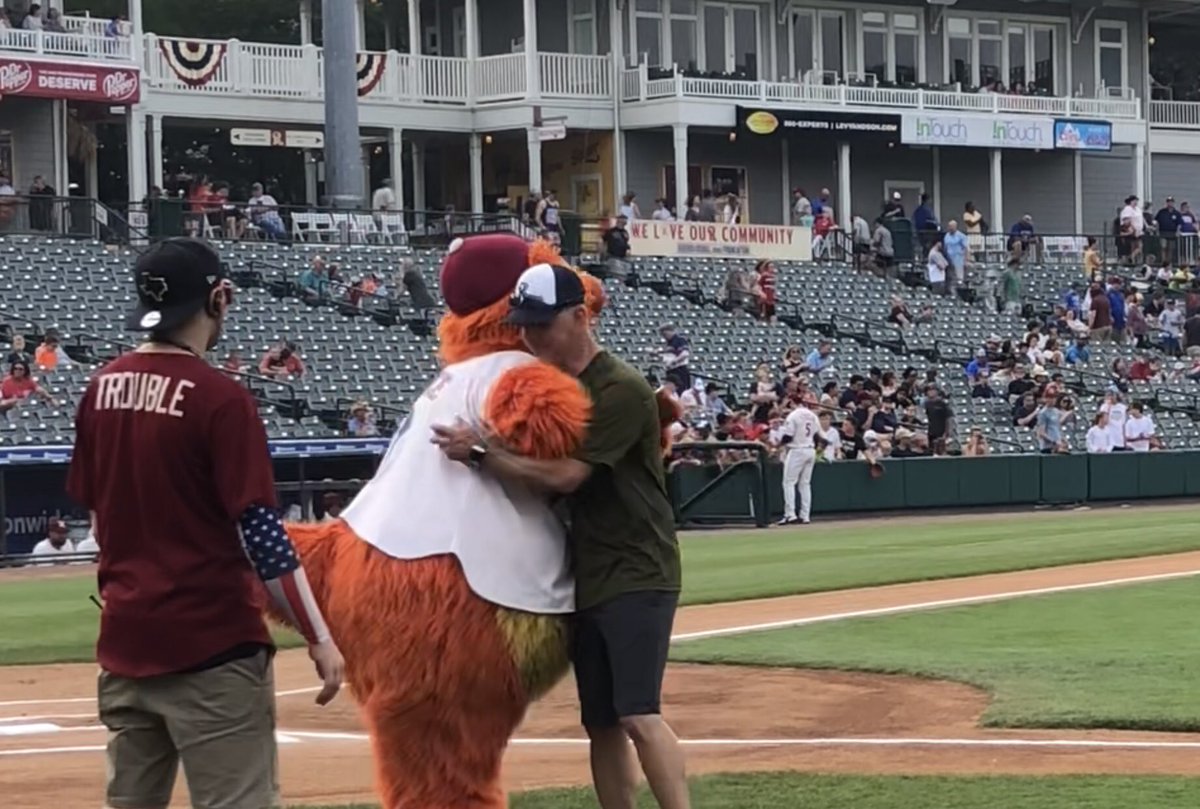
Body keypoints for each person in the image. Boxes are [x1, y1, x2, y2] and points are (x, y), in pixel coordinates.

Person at [64, 238, 344, 809]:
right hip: (211, 648)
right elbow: (261, 534)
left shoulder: (100, 388)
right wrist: (318, 635)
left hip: (125, 644)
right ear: (219, 298)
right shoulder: (220, 398)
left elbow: (98, 511)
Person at [431, 263, 690, 809]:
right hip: (587, 573)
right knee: (600, 722)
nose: (528, 336)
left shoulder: (619, 388)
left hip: (637, 569)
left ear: (579, 317)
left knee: (638, 713)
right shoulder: (554, 387)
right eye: (523, 324)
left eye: (541, 324)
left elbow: (569, 474)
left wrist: (480, 452)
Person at [778, 402, 820, 526]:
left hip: (797, 449)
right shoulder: (812, 415)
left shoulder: (793, 415)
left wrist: (778, 445)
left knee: (789, 482)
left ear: (793, 403)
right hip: (810, 449)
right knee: (805, 484)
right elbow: (816, 436)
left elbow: (788, 436)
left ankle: (790, 515)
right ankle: (805, 515)